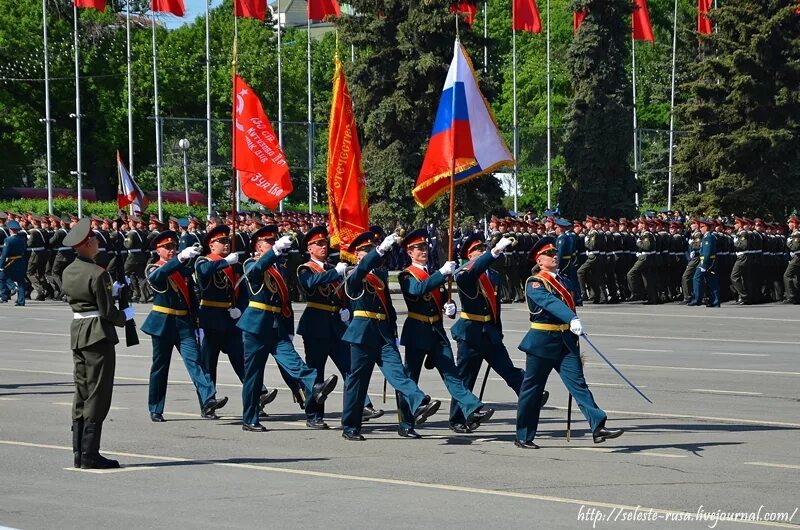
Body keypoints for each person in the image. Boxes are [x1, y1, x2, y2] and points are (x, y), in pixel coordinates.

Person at [515, 237, 624, 449]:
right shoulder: (535, 282)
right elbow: (549, 302)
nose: (555, 256)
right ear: (539, 260)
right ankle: (523, 436)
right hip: (542, 344)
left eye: (555, 253)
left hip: (565, 342)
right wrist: (571, 318)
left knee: (579, 385)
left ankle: (598, 426)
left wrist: (572, 326)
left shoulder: (564, 280)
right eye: (549, 254)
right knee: (532, 390)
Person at [340, 231, 441, 441]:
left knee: (398, 374)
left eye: (371, 249)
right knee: (358, 382)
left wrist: (393, 331)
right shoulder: (353, 273)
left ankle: (417, 404)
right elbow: (364, 267)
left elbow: (389, 309)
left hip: (384, 334)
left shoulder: (380, 276)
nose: (369, 253)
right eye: (365, 251)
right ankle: (350, 426)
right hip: (363, 334)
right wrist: (379, 250)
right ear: (357, 255)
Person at [237, 225, 338, 432]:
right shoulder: (251, 263)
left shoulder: (278, 269)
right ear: (258, 246)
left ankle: (315, 386)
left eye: (275, 241)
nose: (274, 245)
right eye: (269, 242)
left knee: (294, 362)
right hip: (256, 326)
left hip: (276, 326)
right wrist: (274, 252)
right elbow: (256, 272)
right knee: (254, 376)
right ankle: (250, 418)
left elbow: (285, 302)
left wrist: (289, 328)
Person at [395, 229, 494, 438]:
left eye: (424, 247)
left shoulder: (431, 274)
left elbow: (438, 298)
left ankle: (472, 407)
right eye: (418, 248)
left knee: (452, 374)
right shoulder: (407, 275)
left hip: (436, 332)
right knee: (410, 377)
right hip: (417, 331)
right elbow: (418, 290)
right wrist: (442, 273)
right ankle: (406, 422)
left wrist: (449, 306)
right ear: (409, 252)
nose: (424, 251)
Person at [449, 233, 546, 432]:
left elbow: (495, 307)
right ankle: (458, 419)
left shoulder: (493, 275)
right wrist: (493, 253)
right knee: (466, 377)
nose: (482, 252)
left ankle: (529, 394)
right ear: (469, 255)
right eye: (477, 250)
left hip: (490, 332)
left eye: (483, 249)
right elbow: (474, 270)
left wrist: (498, 330)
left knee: (508, 369)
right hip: (470, 334)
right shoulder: (463, 274)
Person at [61, 217, 135, 469]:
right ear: (84, 245)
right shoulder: (98, 272)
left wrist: (112, 290)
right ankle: (90, 453)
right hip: (98, 334)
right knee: (98, 393)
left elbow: (85, 298)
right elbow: (105, 310)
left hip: (79, 331)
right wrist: (125, 316)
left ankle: (78, 451)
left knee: (81, 391)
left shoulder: (68, 270)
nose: (95, 242)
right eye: (91, 239)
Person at [296, 226, 383, 429]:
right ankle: (313, 415)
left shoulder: (333, 267)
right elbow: (310, 283)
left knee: (351, 369)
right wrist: (335, 272)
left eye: (325, 243)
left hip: (336, 324)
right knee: (316, 372)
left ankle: (362, 406)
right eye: (318, 244)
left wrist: (345, 308)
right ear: (310, 248)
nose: (323, 247)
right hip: (316, 324)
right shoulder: (305, 268)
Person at [140, 230, 228, 422]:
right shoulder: (153, 267)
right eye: (167, 247)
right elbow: (157, 278)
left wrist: (197, 319)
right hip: (163, 323)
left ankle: (208, 400)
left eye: (174, 247)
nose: (172, 250)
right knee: (160, 367)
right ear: (158, 250)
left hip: (184, 323)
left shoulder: (182, 269)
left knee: (195, 362)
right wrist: (180, 258)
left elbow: (192, 295)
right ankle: (156, 407)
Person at [688, 220, 720, 307]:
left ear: (706, 228)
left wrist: (704, 265)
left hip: (706, 262)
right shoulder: (707, 237)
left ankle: (697, 299)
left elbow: (707, 253)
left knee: (697, 279)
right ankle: (715, 301)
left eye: (702, 227)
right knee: (711, 281)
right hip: (707, 262)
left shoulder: (708, 237)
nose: (700, 229)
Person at [0, 220, 27, 306]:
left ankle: (12, 287)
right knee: (21, 281)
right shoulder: (22, 239)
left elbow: (4, 254)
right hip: (21, 261)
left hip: (11, 261)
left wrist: (1, 265)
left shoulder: (8, 240)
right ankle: (21, 301)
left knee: (3, 276)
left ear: (10, 230)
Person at [783, 215, 799, 304]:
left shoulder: (797, 234)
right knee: (796, 277)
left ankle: (791, 296)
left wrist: (788, 242)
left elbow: (795, 247)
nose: (788, 224)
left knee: (787, 275)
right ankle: (796, 297)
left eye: (790, 222)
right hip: (795, 257)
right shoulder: (793, 234)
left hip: (797, 257)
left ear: (794, 224)